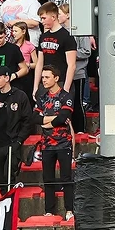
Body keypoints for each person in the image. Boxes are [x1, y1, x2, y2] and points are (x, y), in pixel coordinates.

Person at [36, 66, 74, 220]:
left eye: (47, 77)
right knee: (48, 178)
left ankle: (69, 210)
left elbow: (63, 117)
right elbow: (35, 118)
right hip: (46, 144)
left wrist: (48, 121)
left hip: (64, 143)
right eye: (43, 77)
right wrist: (53, 119)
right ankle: (49, 210)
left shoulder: (66, 96)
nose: (43, 80)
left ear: (56, 78)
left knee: (67, 178)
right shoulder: (42, 97)